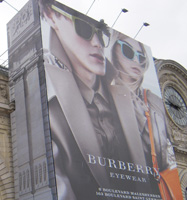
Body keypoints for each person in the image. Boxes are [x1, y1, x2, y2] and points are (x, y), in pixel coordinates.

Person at [39, 0, 151, 198]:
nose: (98, 43)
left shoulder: (130, 99)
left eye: (101, 34)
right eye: (83, 28)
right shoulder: (47, 102)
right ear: (50, 16)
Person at [109, 32, 181, 199]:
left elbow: (166, 150)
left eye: (141, 57)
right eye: (128, 51)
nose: (136, 60)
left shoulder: (154, 100)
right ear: (113, 52)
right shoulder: (103, 96)